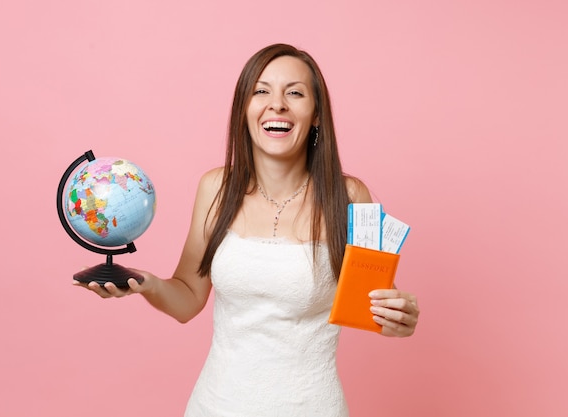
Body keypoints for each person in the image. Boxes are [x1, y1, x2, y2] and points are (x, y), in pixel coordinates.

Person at [76, 43, 420, 416]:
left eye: (294, 92)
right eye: (261, 91)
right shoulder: (215, 189)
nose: (277, 104)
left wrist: (398, 317)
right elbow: (189, 298)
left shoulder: (350, 196)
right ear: (244, 110)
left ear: (316, 114)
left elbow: (373, 304)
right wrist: (149, 284)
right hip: (216, 406)